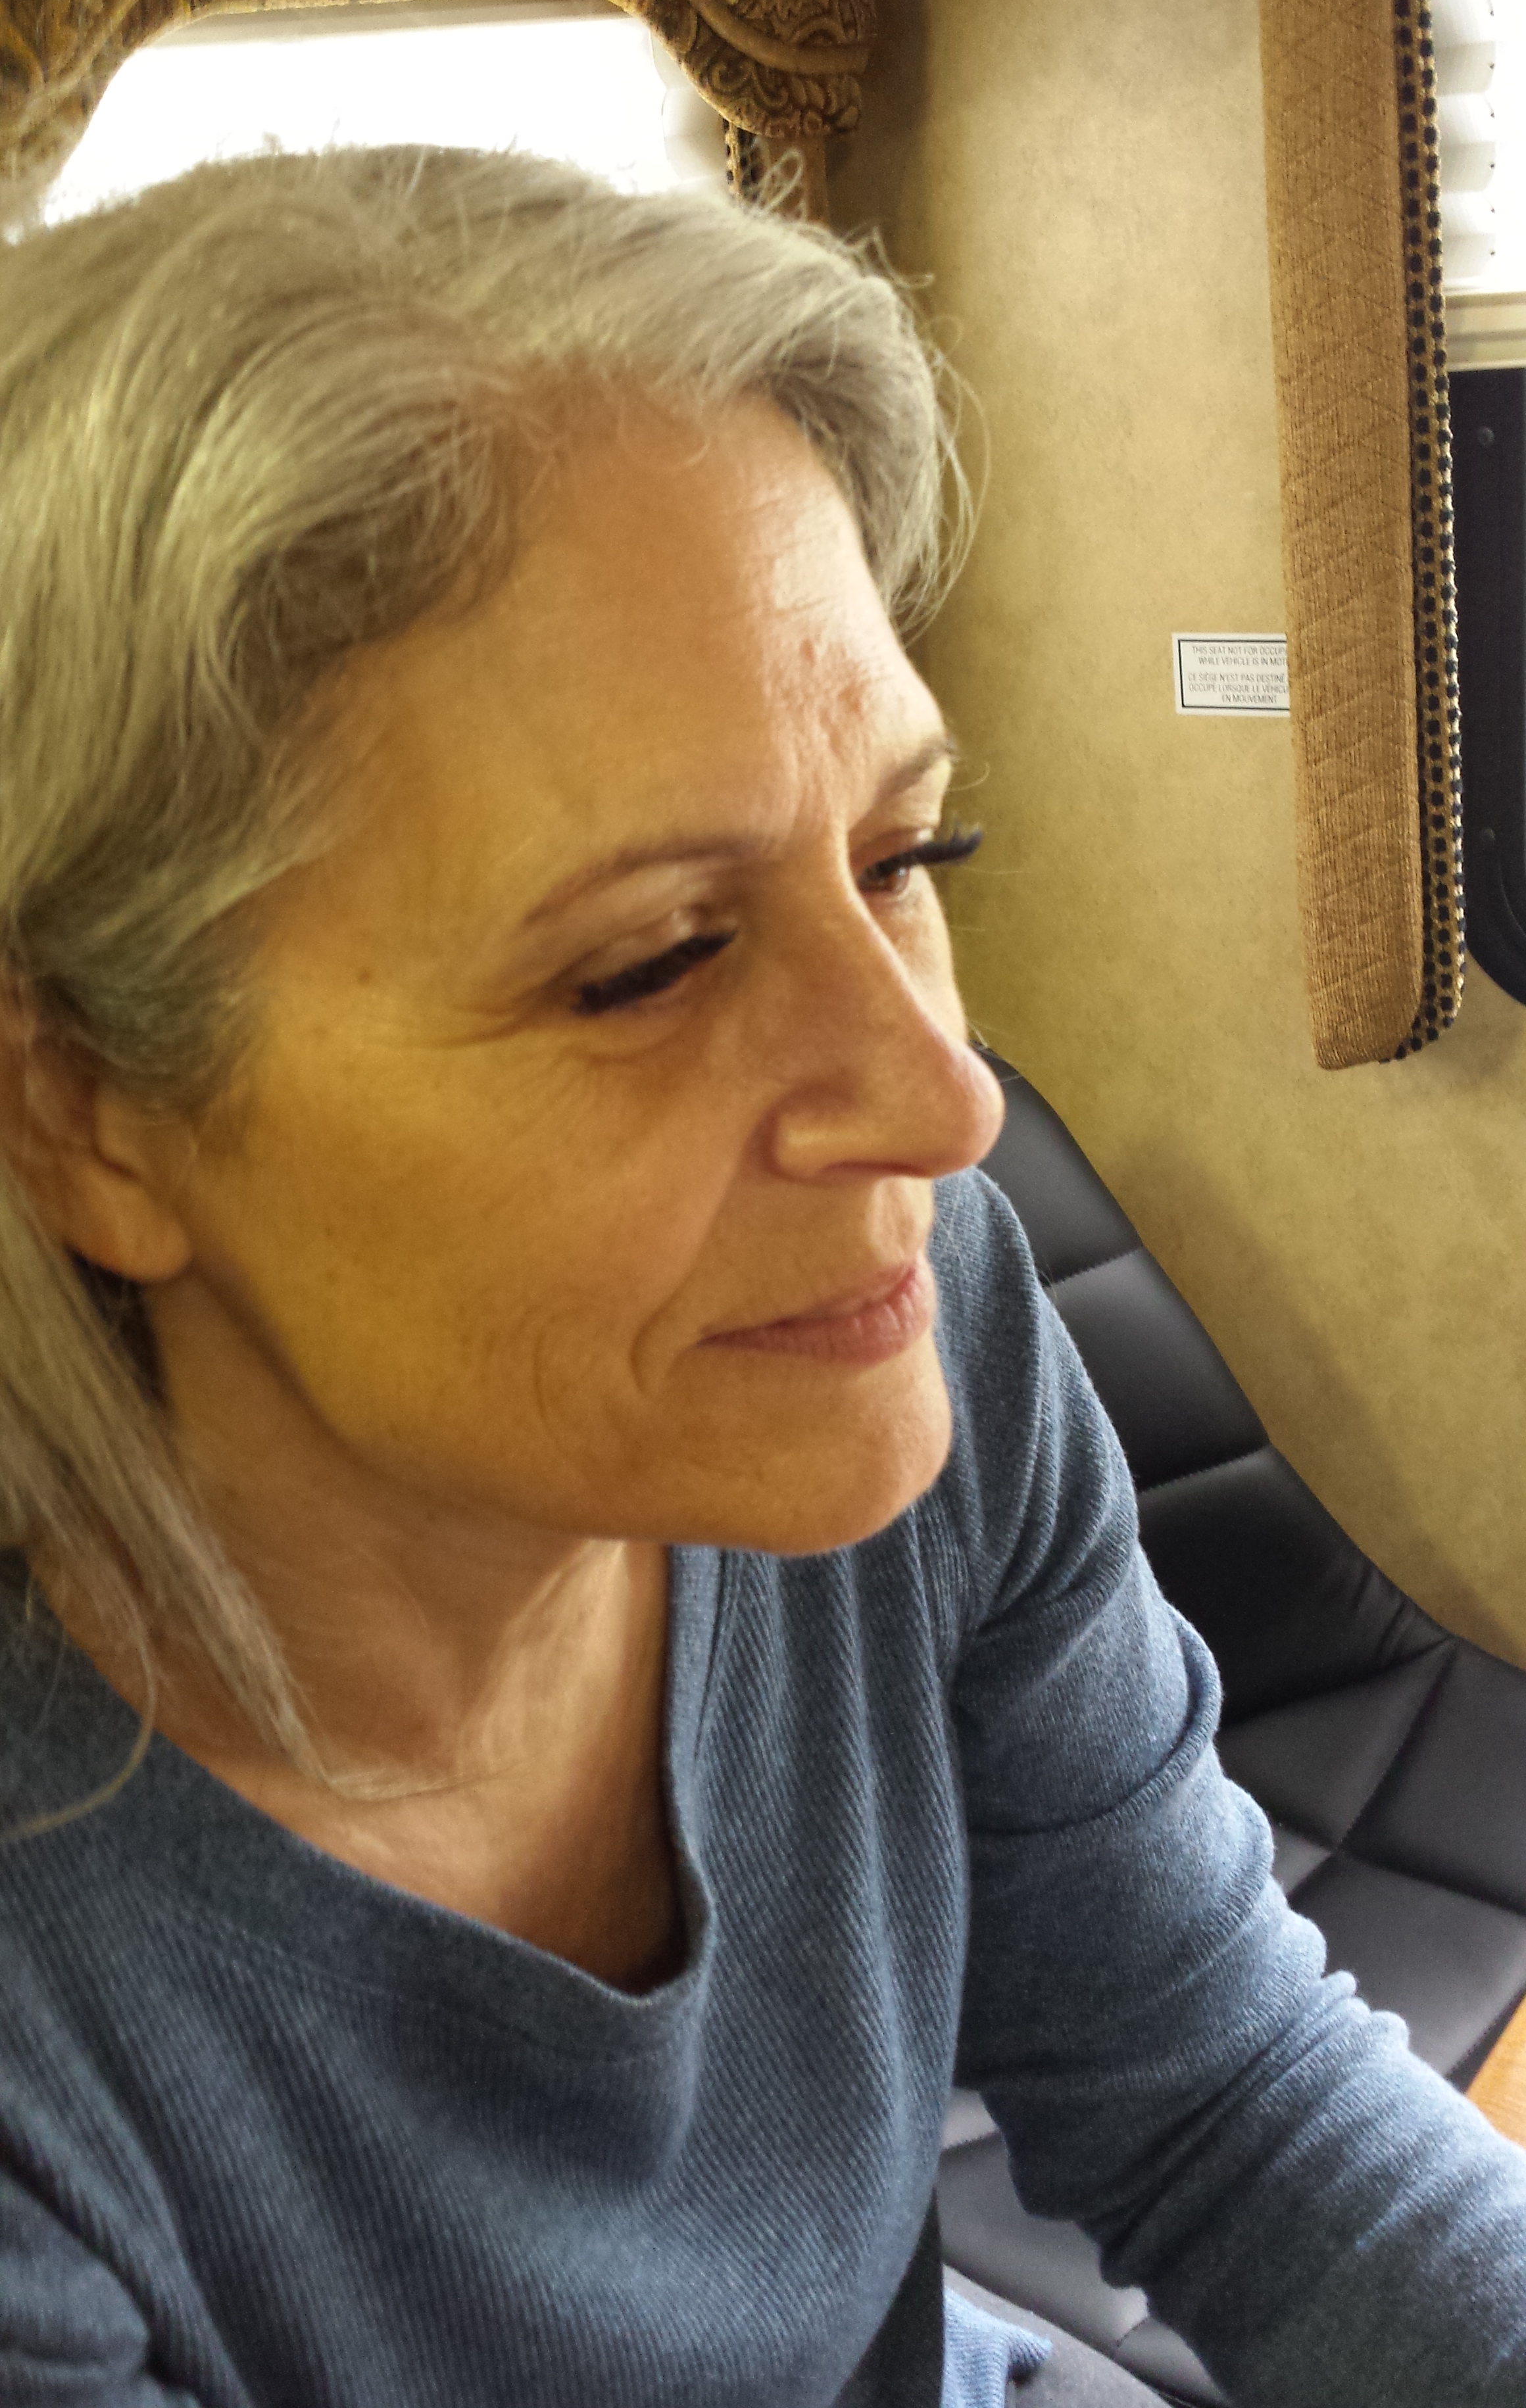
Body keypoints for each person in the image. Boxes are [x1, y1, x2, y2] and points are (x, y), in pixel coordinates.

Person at [0, 142, 1519, 2408]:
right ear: (86, 1114)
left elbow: (1227, 2103)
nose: (943, 1107)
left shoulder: (922, 1324)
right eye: (651, 963)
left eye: (907, 853)